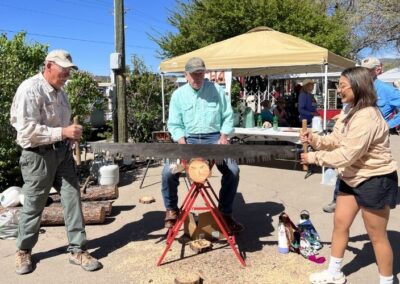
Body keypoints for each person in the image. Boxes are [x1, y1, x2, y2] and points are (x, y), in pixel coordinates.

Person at [300, 67, 398, 284]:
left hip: (375, 179)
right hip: (351, 177)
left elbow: (347, 154)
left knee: (377, 236)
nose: (339, 89)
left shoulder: (368, 116)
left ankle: (387, 281)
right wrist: (314, 138)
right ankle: (334, 272)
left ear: (358, 86)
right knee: (340, 224)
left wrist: (314, 158)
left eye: (343, 85)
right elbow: (336, 140)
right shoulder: (348, 110)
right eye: (339, 84)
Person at [10, 50, 102, 275]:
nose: (66, 75)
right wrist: (63, 131)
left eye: (69, 71)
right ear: (48, 66)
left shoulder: (61, 93)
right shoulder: (30, 89)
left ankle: (78, 249)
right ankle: (23, 250)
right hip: (37, 156)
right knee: (34, 204)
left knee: (72, 199)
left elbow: (61, 126)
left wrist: (70, 135)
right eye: (63, 70)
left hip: (61, 154)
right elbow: (26, 131)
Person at [161, 57, 243, 233]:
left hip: (213, 138)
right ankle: (171, 209)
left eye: (200, 73)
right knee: (168, 171)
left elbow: (228, 115)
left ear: (205, 73)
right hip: (188, 139)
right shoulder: (178, 95)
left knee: (233, 171)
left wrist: (223, 137)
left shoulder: (216, 91)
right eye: (193, 74)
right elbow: (174, 124)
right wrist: (182, 142)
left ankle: (225, 214)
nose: (197, 78)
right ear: (186, 75)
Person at [322, 56, 400, 213]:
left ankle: (362, 200)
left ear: (378, 70)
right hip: (352, 136)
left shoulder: (386, 89)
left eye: (368, 71)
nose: (364, 73)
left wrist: (388, 125)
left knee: (358, 166)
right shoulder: (354, 89)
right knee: (346, 166)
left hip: (372, 148)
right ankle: (338, 198)